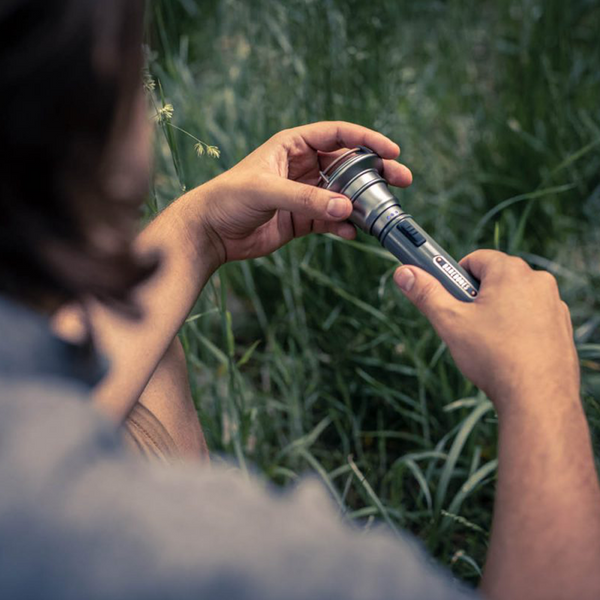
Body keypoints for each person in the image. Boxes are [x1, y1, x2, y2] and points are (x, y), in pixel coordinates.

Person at [1, 1, 599, 599]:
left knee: (146, 350)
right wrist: (541, 387)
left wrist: (200, 229)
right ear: (90, 108)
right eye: (138, 83)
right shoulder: (234, 559)